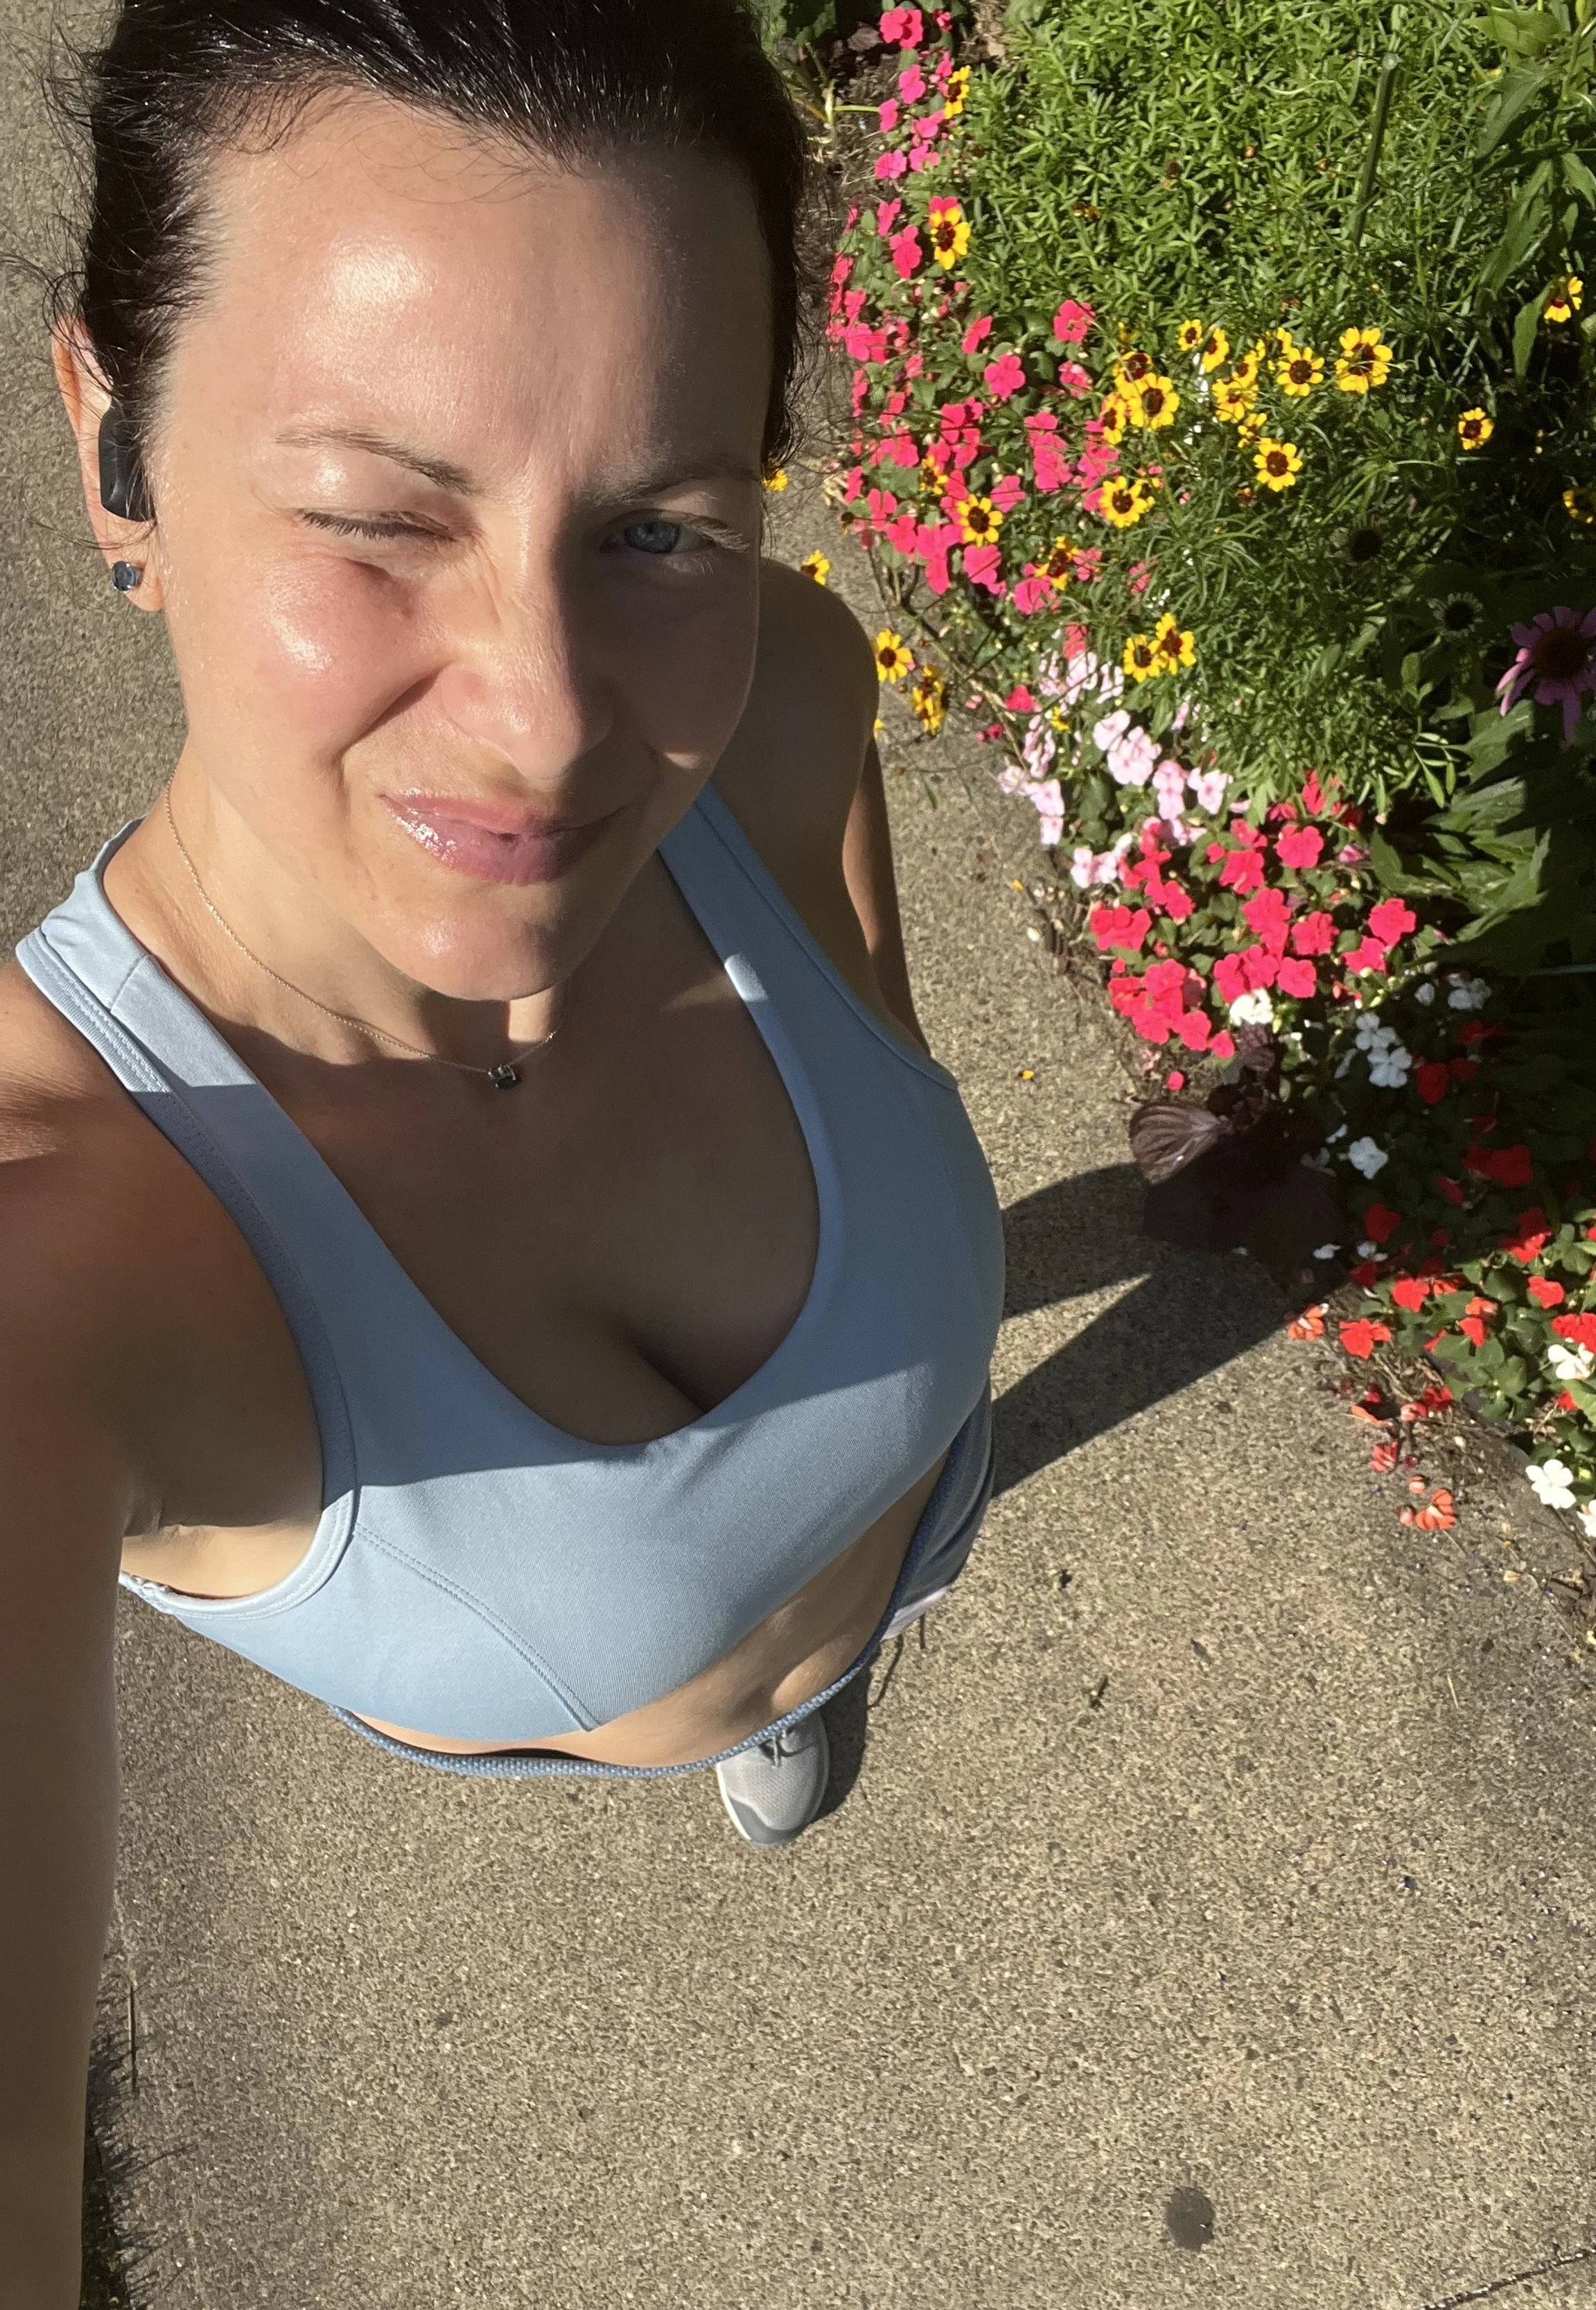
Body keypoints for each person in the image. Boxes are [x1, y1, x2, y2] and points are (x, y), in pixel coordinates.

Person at [0, 0, 1005, 2291]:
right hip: (595, 1730)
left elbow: (872, 999)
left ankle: (815, 1691)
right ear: (113, 443)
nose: (551, 721)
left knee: (833, 1643)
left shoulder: (784, 691)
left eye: (661, 526)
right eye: (374, 517)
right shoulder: (50, 1252)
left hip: (909, 1528)